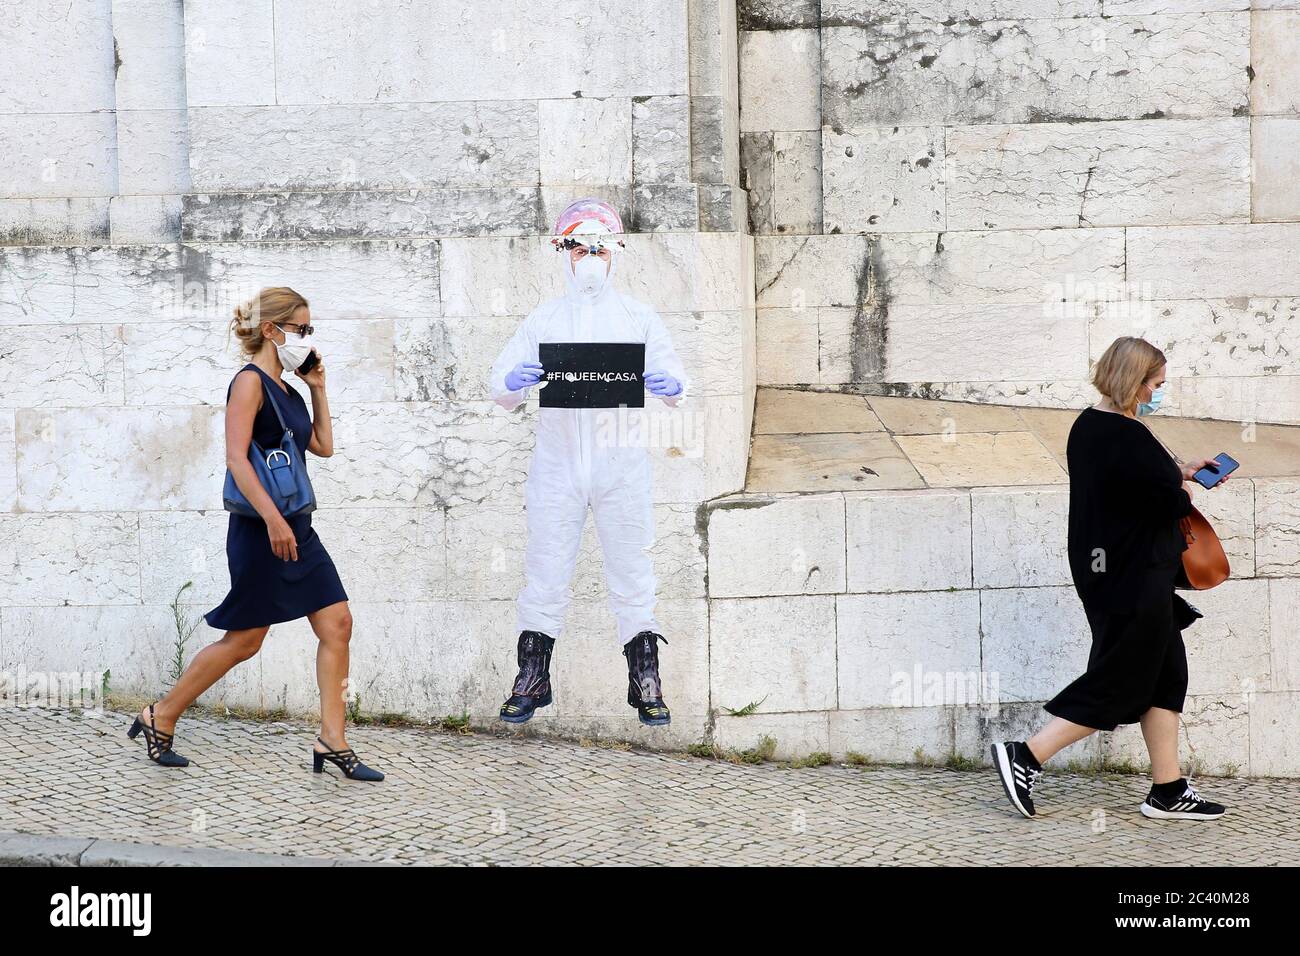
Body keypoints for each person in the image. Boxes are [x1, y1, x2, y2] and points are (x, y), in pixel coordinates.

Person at [128, 287, 383, 782]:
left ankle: (333, 739)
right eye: (302, 329)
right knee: (246, 640)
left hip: (298, 527)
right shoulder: (248, 383)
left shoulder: (288, 390)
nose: (307, 338)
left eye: (309, 330)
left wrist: (318, 387)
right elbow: (235, 458)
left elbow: (324, 447)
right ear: (273, 330)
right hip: (261, 530)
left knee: (337, 625)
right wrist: (271, 520)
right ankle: (161, 713)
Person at [992, 337, 1228, 821]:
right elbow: (1162, 501)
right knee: (1124, 676)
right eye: (1156, 385)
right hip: (1130, 575)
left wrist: (1180, 470)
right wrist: (1182, 488)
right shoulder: (1124, 434)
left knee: (1165, 676)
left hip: (1118, 570)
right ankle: (1027, 754)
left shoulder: (1094, 426)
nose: (1159, 393)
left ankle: (1168, 789)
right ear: (1134, 382)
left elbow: (1129, 488)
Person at [489, 198, 687, 726]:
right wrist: (513, 382)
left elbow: (674, 378)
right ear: (563, 254)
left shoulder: (638, 316)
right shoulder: (544, 318)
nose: (588, 256)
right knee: (545, 569)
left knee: (632, 568)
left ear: (614, 252)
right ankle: (532, 675)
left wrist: (673, 385)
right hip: (556, 466)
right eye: (578, 246)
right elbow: (499, 384)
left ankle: (645, 677)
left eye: (597, 246)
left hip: (620, 466)